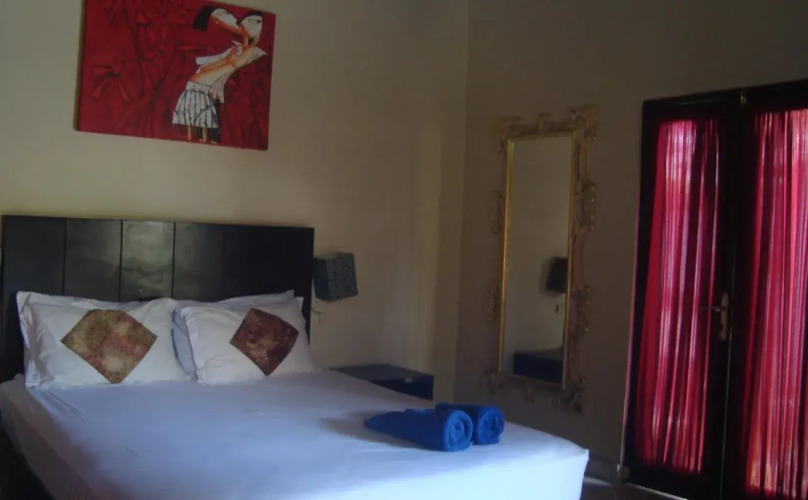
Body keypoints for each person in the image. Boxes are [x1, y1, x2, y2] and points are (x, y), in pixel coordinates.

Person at [172, 7, 266, 144]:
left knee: (200, 121)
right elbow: (220, 59)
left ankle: (204, 137)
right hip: (200, 85)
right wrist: (199, 63)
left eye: (256, 23)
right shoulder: (237, 48)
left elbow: (230, 63)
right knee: (194, 124)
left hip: (206, 87)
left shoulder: (253, 52)